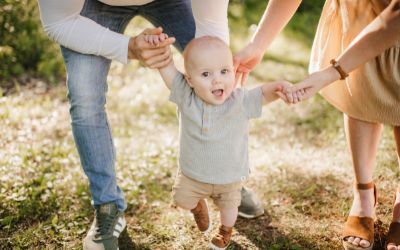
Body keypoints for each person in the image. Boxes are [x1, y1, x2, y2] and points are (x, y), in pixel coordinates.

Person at [36, 0, 264, 249]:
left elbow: (212, 29)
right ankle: (106, 205)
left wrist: (215, 79)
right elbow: (59, 22)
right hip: (94, 5)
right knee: (85, 98)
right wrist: (128, 47)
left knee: (213, 74)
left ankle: (224, 182)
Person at [232, 0, 400, 249]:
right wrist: (258, 44)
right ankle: (364, 195)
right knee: (360, 93)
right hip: (356, 12)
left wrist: (330, 73)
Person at [145, 34, 291, 249]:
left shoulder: (239, 101)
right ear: (190, 80)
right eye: (206, 74)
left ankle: (225, 230)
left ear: (233, 71)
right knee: (181, 199)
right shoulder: (186, 96)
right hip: (193, 174)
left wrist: (278, 87)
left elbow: (263, 94)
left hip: (229, 176)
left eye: (224, 71)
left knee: (229, 208)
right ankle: (198, 207)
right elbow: (168, 70)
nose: (217, 80)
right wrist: (161, 54)